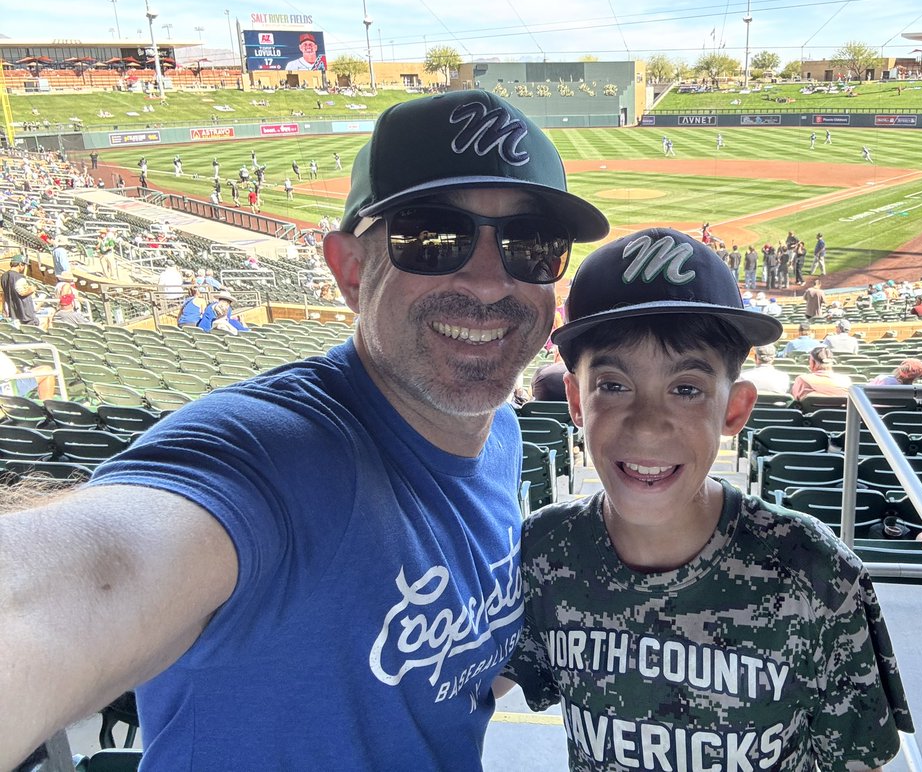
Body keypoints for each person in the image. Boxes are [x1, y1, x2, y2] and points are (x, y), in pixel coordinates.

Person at [0, 90, 608, 770]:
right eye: (432, 237)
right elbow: (84, 578)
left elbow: (439, 675)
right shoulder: (273, 453)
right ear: (350, 270)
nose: (492, 282)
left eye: (531, 244)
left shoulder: (497, 433)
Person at [499, 227, 911, 771]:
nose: (648, 427)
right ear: (576, 400)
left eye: (687, 389)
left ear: (734, 410)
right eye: (614, 385)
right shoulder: (544, 551)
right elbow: (456, 686)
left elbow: (860, 761)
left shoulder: (816, 573)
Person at [1, 254, 39, 327]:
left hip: (12, 311)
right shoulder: (19, 277)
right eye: (24, 265)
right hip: (24, 313)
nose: (24, 267)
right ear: (20, 264)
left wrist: (3, 308)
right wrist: (32, 289)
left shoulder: (4, 276)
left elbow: (3, 294)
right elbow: (22, 292)